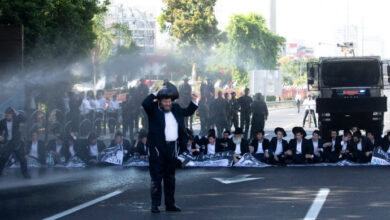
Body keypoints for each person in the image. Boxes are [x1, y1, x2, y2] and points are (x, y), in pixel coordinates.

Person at [142, 81, 198, 213]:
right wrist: (156, 90)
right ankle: (155, 205)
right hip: (156, 149)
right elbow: (144, 103)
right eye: (164, 101)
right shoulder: (153, 109)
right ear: (159, 101)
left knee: (170, 178)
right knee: (156, 178)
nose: (167, 104)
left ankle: (170, 204)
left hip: (172, 148)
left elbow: (187, 111)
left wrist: (195, 101)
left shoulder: (176, 108)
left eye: (169, 101)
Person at [0, 107, 30, 178]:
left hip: (17, 142)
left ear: (12, 115)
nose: (8, 116)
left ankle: (25, 174)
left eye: (9, 115)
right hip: (9, 143)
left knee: (22, 159)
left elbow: (24, 119)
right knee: (3, 158)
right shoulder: (2, 122)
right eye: (6, 115)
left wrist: (17, 113)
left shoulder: (16, 119)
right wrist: (0, 136)